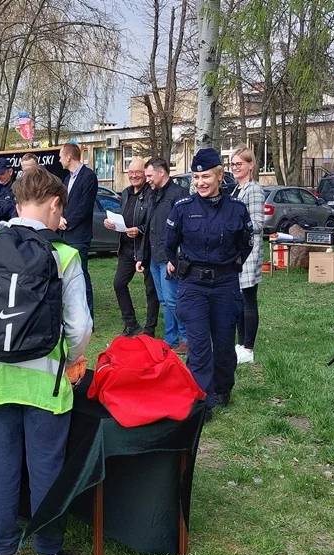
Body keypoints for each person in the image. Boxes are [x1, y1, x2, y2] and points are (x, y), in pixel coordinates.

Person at [0, 168, 92, 555]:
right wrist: (73, 360)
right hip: (45, 383)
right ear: (54, 204)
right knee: (47, 471)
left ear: (17, 203)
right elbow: (79, 327)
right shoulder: (64, 257)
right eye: (63, 212)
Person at [165, 148, 253, 422]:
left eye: (206, 176)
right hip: (193, 286)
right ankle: (201, 401)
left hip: (225, 285)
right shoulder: (183, 209)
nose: (200, 182)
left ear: (219, 176)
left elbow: (245, 244)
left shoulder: (236, 209)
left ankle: (223, 388)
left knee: (225, 345)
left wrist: (227, 266)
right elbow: (169, 246)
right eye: (196, 177)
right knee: (199, 346)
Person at [137, 157, 188, 353]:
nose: (147, 179)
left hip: (168, 259)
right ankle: (171, 338)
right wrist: (142, 256)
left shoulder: (178, 195)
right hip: (154, 257)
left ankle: (186, 338)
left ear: (161, 172)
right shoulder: (152, 194)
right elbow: (149, 226)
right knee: (164, 300)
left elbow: (182, 230)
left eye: (149, 175)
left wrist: (173, 258)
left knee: (174, 300)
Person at [104, 158, 159, 337]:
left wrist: (140, 230)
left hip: (145, 247)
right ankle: (131, 324)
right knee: (119, 283)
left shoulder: (152, 193)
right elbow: (124, 216)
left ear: (145, 173)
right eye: (131, 172)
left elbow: (153, 222)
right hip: (127, 247)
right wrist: (112, 224)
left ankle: (150, 330)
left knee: (151, 289)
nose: (134, 176)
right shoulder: (126, 193)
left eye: (138, 172)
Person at [230, 145, 264, 365]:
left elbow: (258, 224)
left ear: (250, 165)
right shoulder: (236, 190)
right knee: (238, 301)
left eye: (239, 164)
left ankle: (249, 348)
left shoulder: (253, 189)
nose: (235, 168)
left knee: (248, 301)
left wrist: (236, 226)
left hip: (250, 251)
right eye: (232, 164)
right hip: (237, 252)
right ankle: (241, 344)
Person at [59, 142, 98, 320]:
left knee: (81, 274)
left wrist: (67, 222)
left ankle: (87, 316)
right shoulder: (67, 179)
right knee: (67, 275)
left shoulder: (88, 177)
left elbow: (85, 207)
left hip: (79, 235)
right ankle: (71, 314)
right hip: (64, 234)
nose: (59, 160)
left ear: (69, 157)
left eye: (60, 156)